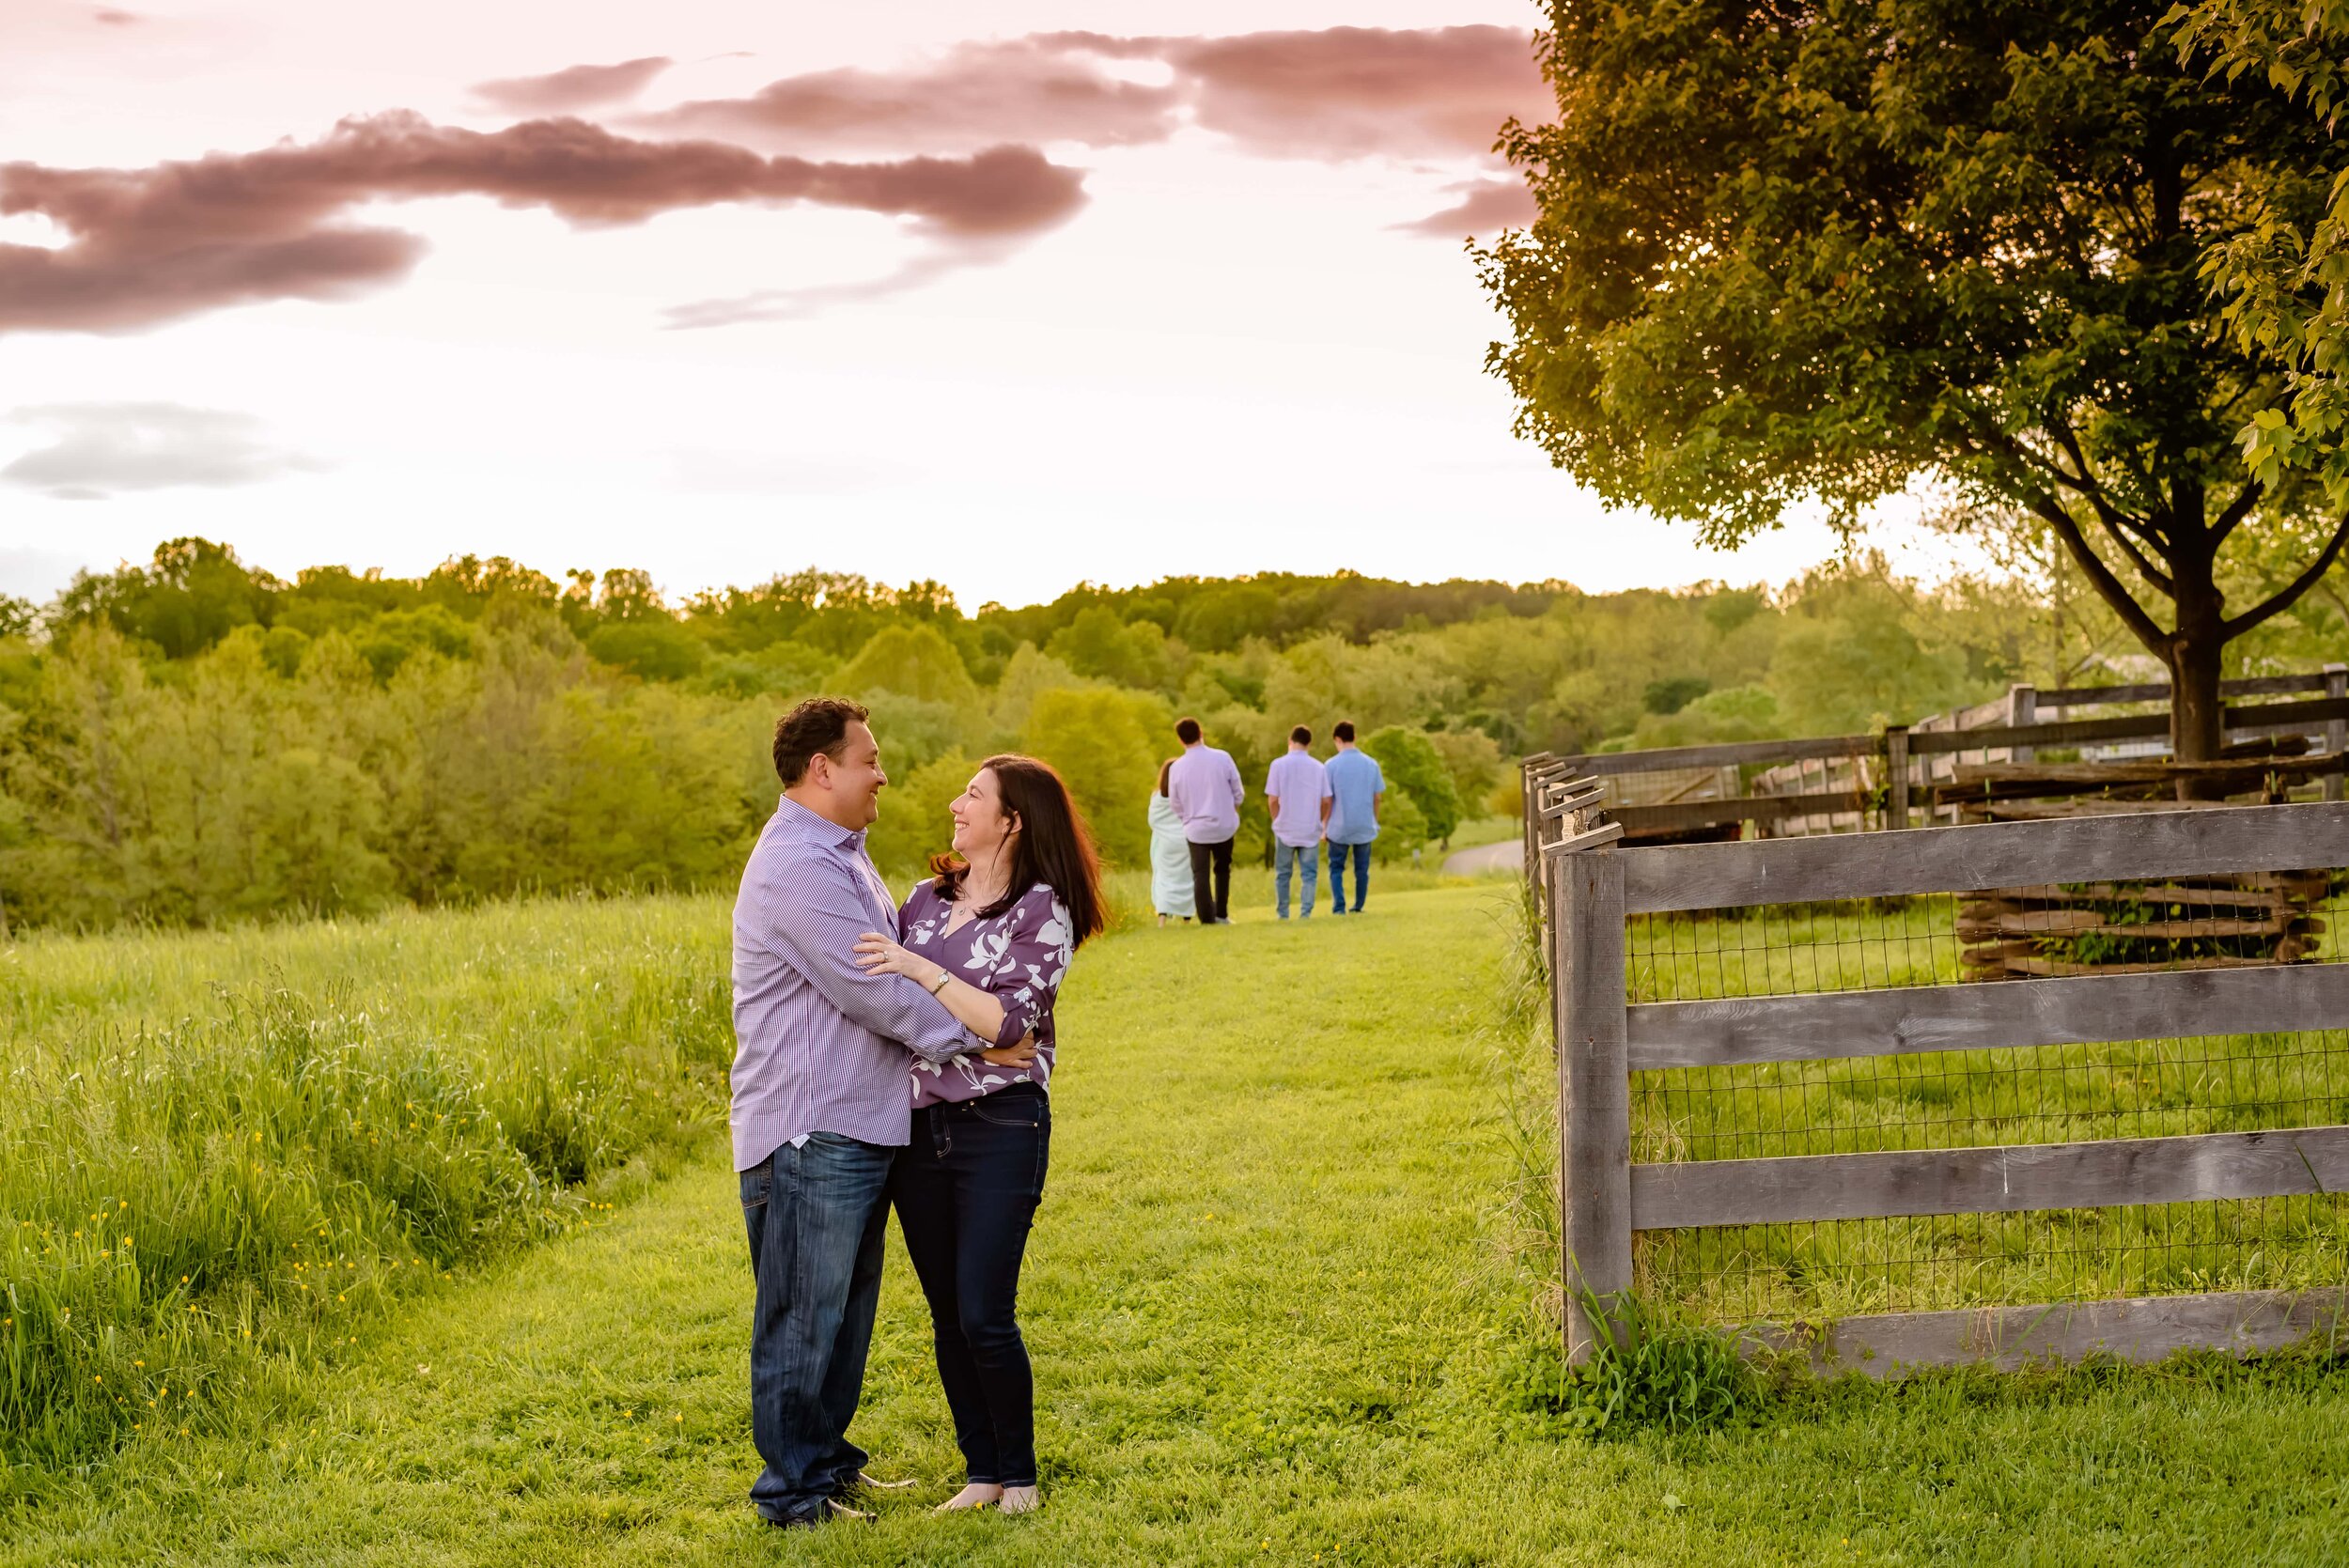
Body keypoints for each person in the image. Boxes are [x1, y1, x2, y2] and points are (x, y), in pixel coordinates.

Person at [730, 697, 1035, 1530]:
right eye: (870, 758)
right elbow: (875, 992)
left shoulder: (846, 854)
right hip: (806, 1125)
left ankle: (826, 1468)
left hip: (858, 1124)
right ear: (823, 768)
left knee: (842, 1315)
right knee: (801, 1318)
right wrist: (985, 1042)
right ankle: (791, 1497)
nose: (884, 773)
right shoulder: (798, 865)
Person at [851, 755, 1105, 1518]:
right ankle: (982, 1470)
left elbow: (1010, 1023)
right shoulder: (925, 899)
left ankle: (1019, 1476)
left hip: (1002, 1125)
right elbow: (892, 1011)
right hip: (918, 1126)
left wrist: (920, 974)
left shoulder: (1043, 910)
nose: (955, 803)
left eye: (973, 794)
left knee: (985, 1307)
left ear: (1012, 819)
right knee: (946, 1312)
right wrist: (972, 1031)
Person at [1164, 716, 1243, 925]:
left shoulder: (1177, 768)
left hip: (1195, 829)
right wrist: (1230, 810)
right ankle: (1222, 914)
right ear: (1201, 733)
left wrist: (1187, 819)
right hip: (1224, 825)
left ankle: (1207, 919)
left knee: (1200, 874)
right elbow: (1239, 792)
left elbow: (1175, 802)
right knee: (1222, 869)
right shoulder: (1223, 758)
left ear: (1180, 740)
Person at [1263, 724, 1331, 919]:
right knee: (1309, 874)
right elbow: (1326, 800)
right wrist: (1317, 818)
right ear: (1309, 744)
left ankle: (1283, 914)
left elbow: (1273, 798)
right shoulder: (1319, 767)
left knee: (1283, 874)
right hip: (1310, 827)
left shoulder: (1278, 765)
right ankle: (1305, 913)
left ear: (1290, 741)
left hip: (1285, 826)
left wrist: (1277, 818)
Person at [1323, 720, 1385, 915]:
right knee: (1362, 870)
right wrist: (1374, 819)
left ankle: (1339, 907)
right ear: (1355, 737)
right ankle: (1358, 905)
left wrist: (1323, 826)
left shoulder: (1331, 765)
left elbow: (1327, 799)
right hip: (1364, 824)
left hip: (1338, 825)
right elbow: (1377, 797)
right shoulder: (1371, 764)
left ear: (1337, 739)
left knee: (1336, 868)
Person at [1147, 757, 1195, 926]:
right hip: (1185, 841)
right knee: (1186, 877)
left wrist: (1165, 830)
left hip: (1166, 845)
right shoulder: (1188, 794)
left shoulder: (1158, 797)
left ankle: (1162, 919)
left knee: (1165, 878)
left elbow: (1153, 820)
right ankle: (1186, 919)